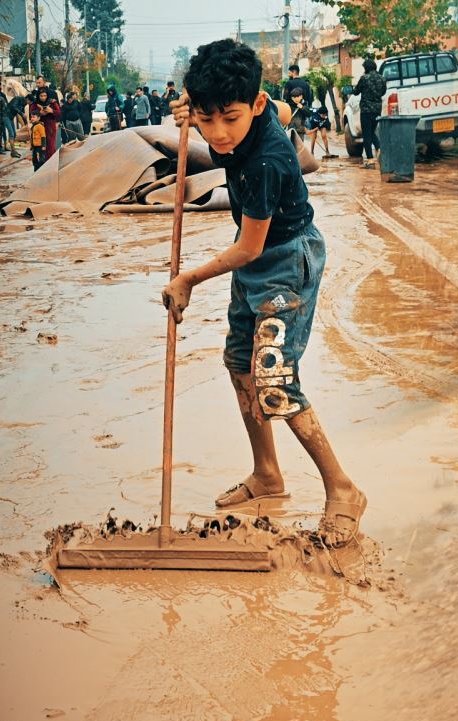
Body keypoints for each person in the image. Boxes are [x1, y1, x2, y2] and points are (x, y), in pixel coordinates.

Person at [163, 38, 369, 547]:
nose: (217, 133)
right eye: (206, 120)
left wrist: (187, 278)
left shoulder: (266, 162)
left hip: (284, 260)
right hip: (253, 260)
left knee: (274, 379)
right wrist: (197, 108)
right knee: (239, 363)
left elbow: (250, 247)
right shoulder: (258, 111)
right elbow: (275, 107)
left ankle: (343, 489)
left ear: (252, 107)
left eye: (229, 118)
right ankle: (267, 475)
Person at [356, 59, 385, 166]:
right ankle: (379, 148)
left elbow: (356, 91)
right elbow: (383, 92)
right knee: (372, 132)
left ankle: (370, 159)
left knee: (366, 134)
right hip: (377, 110)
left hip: (366, 111)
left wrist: (353, 91)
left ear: (366, 68)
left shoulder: (364, 78)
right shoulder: (382, 78)